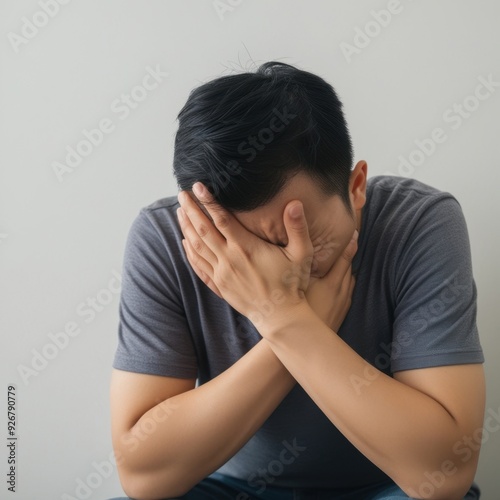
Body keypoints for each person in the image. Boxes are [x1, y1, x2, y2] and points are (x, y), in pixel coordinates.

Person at [108, 62, 485, 500]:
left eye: (301, 233)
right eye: (243, 250)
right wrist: (294, 323)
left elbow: (442, 473)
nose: (286, 265)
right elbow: (142, 476)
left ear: (356, 185)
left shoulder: (420, 223)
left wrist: (286, 318)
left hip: (386, 489)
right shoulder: (166, 240)